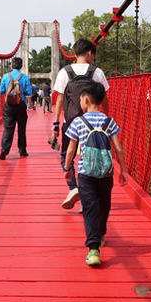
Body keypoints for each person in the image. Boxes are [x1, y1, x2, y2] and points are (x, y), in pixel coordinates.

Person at [63, 80, 128, 266]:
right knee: (104, 205)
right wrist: (122, 170)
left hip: (85, 172)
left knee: (89, 208)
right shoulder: (109, 121)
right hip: (106, 172)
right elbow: (119, 149)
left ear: (84, 100)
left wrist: (68, 169)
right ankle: (100, 235)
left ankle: (93, 249)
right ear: (100, 100)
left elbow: (70, 149)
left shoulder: (78, 122)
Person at [52, 38, 109, 210]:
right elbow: (104, 98)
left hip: (71, 122)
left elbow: (60, 99)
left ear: (75, 53)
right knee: (90, 157)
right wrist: (107, 118)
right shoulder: (96, 72)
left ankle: (74, 188)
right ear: (90, 53)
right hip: (94, 124)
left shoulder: (65, 71)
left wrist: (56, 123)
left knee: (66, 156)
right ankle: (87, 196)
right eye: (93, 55)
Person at [0, 56, 33, 160]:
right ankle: (22, 151)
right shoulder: (25, 77)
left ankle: (4, 149)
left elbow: (1, 90)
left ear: (12, 65)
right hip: (20, 105)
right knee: (21, 129)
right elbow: (29, 92)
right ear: (21, 66)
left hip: (8, 106)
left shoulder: (5, 76)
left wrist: (10, 94)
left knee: (8, 128)